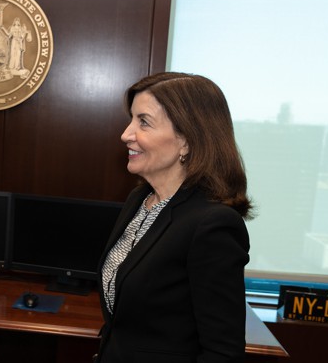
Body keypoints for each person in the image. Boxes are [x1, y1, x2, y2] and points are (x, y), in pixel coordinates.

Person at [97, 72, 252, 362]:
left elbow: (223, 353)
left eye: (143, 122)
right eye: (131, 119)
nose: (126, 134)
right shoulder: (138, 199)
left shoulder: (213, 224)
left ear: (186, 140)